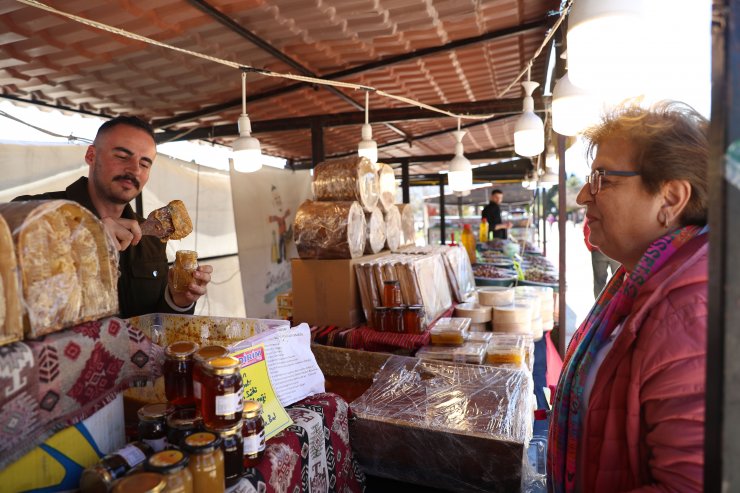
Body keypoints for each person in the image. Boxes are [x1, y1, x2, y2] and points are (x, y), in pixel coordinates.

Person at [547, 101, 708, 493]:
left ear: (670, 200)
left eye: (603, 178)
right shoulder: (637, 280)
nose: (585, 194)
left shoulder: (688, 312)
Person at [14, 116, 212, 318]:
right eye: (122, 156)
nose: (134, 169)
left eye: (144, 164)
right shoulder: (32, 212)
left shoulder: (151, 237)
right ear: (91, 155)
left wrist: (177, 301)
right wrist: (85, 238)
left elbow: (156, 326)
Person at [583, 215, 621, 298]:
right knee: (618, 281)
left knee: (599, 282)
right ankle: (615, 306)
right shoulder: (615, 209)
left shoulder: (593, 209)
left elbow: (586, 229)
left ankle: (599, 306)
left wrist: (591, 247)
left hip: (598, 250)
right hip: (614, 250)